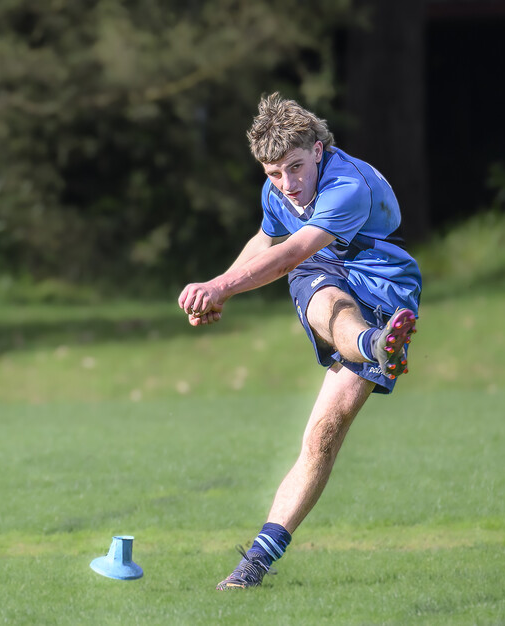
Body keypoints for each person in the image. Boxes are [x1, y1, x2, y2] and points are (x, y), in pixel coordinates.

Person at [177, 92, 422, 590]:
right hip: (332, 277)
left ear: (318, 149)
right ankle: (253, 568)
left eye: (294, 167)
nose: (286, 185)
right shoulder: (279, 190)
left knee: (322, 309)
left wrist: (220, 287)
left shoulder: (346, 186)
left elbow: (291, 253)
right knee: (321, 427)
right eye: (272, 174)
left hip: (385, 278)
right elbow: (266, 239)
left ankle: (376, 343)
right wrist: (218, 289)